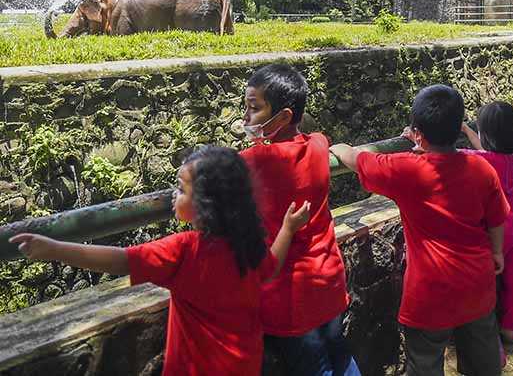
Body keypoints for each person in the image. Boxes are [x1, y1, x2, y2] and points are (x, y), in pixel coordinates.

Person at [10, 146, 310, 376]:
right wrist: (287, 229)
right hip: (244, 362)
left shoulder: (186, 250)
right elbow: (270, 268)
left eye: (180, 187)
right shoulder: (246, 244)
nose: (172, 193)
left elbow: (121, 261)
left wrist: (53, 248)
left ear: (205, 203)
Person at [331, 85, 510, 376]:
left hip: (430, 293)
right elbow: (496, 217)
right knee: (483, 361)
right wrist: (498, 251)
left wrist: (339, 148)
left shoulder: (406, 170)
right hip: (477, 283)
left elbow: (357, 159)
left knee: (424, 360)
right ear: (459, 128)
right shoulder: (481, 168)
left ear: (417, 133)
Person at [239, 64, 360, 376]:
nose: (245, 118)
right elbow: (320, 138)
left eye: (253, 108)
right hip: (329, 279)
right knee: (340, 353)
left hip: (289, 295)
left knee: (316, 369)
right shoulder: (318, 144)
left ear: (283, 117)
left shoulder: (253, 161)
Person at [460, 101, 513, 345]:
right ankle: (511, 328)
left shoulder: (476, 160)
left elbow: (445, 155)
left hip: (495, 232)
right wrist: (468, 131)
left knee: (487, 286)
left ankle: (485, 333)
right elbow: (489, 153)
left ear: (485, 133)